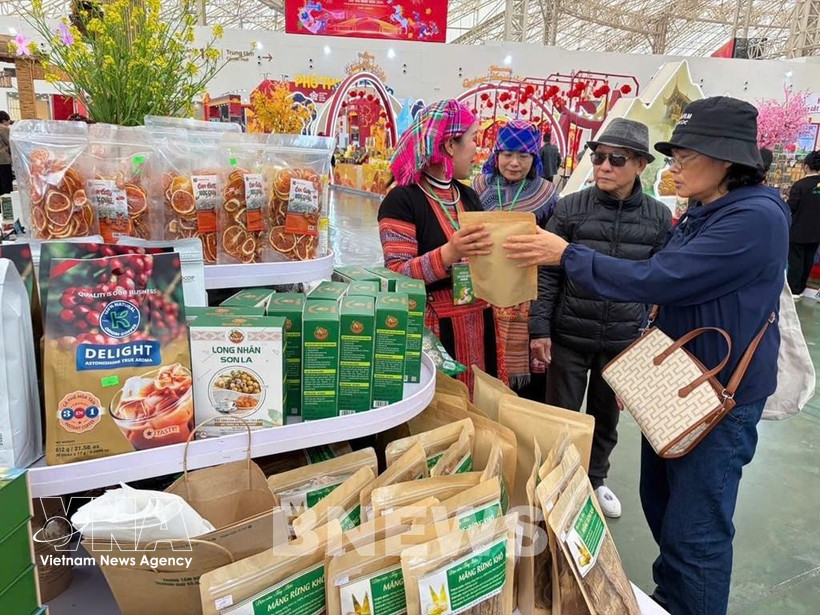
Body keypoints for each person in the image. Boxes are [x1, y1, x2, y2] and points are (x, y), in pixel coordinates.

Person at [505, 97, 788, 615]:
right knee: (662, 506)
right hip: (676, 382)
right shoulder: (705, 210)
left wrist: (565, 253)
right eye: (672, 156)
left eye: (684, 156)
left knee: (696, 531)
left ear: (726, 159)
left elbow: (663, 277)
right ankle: (671, 598)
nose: (673, 167)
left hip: (715, 399)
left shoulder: (755, 217)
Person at [529, 118, 671, 518]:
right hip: (569, 333)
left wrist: (646, 343)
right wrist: (539, 329)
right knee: (560, 414)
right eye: (598, 157)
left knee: (606, 417)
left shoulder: (659, 218)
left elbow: (662, 284)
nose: (604, 166)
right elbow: (547, 271)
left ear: (641, 165)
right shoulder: (570, 207)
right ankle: (556, 481)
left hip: (623, 340)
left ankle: (595, 479)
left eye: (617, 159)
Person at [378, 99, 496, 392]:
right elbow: (396, 274)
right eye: (472, 139)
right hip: (433, 333)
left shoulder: (468, 197)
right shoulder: (402, 200)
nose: (477, 150)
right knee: (441, 414)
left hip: (478, 324)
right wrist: (448, 254)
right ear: (449, 146)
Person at [472, 120, 558, 394]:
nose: (514, 163)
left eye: (523, 156)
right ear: (496, 155)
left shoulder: (547, 194)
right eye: (507, 154)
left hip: (525, 295)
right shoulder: (479, 186)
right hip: (483, 291)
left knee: (524, 383)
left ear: (534, 159)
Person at [786, 150, 820, 299]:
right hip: (816, 232)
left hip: (798, 230)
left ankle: (794, 290)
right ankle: (802, 287)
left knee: (795, 261)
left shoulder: (800, 185)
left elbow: (791, 207)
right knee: (808, 259)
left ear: (806, 166)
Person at [0, 111, 12, 195]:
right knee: (6, 184)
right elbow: (10, 143)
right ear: (4, 120)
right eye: (8, 121)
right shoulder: (4, 129)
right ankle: (7, 204)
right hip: (3, 160)